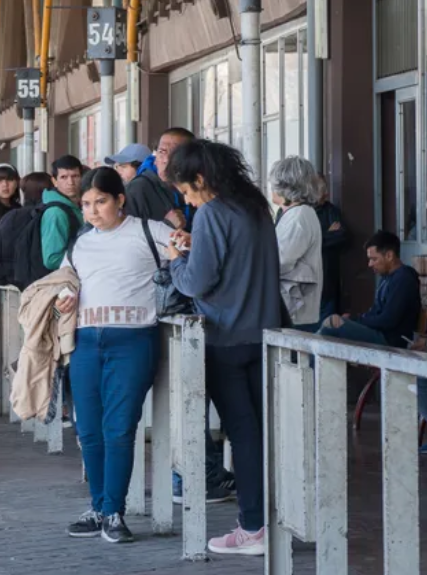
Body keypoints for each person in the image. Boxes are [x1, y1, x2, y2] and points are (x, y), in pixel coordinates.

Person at [167, 140, 282, 556]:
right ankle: (269, 521)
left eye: (186, 190)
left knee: (243, 436)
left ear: (200, 179)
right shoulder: (256, 207)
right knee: (263, 435)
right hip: (264, 334)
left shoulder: (212, 213)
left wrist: (176, 259)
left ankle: (252, 528)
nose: (187, 200)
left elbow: (196, 283)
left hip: (224, 338)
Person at [57, 167, 173, 544]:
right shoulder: (79, 244)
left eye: (101, 201)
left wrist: (183, 244)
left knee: (120, 428)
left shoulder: (149, 231)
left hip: (134, 340)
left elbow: (188, 255)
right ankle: (98, 508)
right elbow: (63, 285)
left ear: (120, 200)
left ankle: (113, 512)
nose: (93, 211)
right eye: (86, 203)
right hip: (85, 342)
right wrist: (64, 299)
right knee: (89, 430)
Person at [317, 230, 420, 349]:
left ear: (389, 256)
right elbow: (374, 312)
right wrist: (352, 320)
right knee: (333, 321)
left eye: (374, 259)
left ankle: (308, 357)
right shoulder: (386, 277)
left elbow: (388, 320)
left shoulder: (404, 278)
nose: (370, 264)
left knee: (332, 325)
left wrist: (355, 320)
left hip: (390, 340)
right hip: (379, 333)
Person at [270, 157, 323, 329]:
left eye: (274, 183)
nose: (272, 188)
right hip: (292, 310)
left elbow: (281, 260)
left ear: (286, 186)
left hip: (296, 313)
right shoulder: (296, 214)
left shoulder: (299, 216)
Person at [41, 155, 85, 270]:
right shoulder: (56, 213)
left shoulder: (78, 205)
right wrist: (88, 257)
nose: (70, 182)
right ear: (54, 181)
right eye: (64, 177)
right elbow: (52, 259)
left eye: (75, 176)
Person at [314, 175, 348, 321]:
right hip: (309, 283)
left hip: (328, 280)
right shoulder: (300, 212)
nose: (327, 193)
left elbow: (341, 236)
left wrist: (317, 239)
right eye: (322, 190)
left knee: (327, 325)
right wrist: (327, 234)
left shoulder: (330, 210)